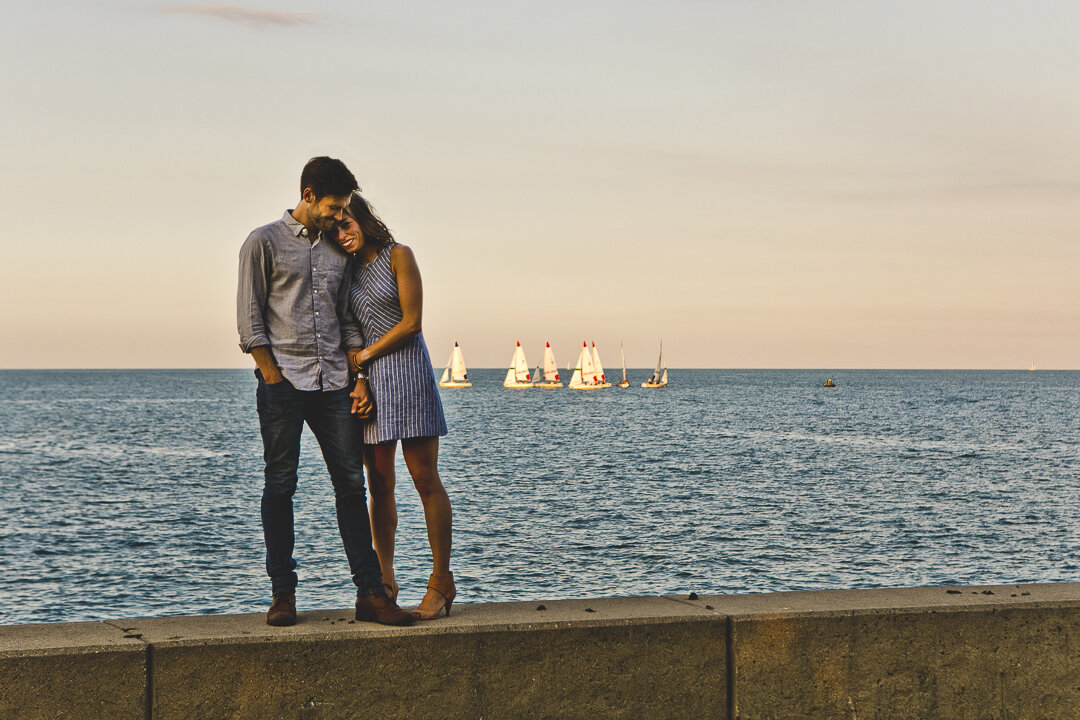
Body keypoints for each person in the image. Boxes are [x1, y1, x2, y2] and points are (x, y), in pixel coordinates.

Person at [236, 157, 413, 627]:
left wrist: (358, 378)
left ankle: (371, 595)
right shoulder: (263, 242)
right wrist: (272, 376)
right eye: (335, 207)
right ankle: (282, 595)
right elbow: (250, 320)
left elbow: (347, 317)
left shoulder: (338, 251)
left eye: (345, 209)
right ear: (309, 195)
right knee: (280, 486)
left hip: (335, 382)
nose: (341, 216)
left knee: (351, 487)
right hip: (283, 383)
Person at [335, 193, 456, 620]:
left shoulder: (398, 256)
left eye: (347, 224)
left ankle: (442, 581)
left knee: (425, 479)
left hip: (410, 376)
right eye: (336, 229)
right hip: (372, 387)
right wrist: (362, 379)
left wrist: (365, 358)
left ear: (364, 219)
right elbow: (351, 334)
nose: (343, 234)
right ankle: (385, 582)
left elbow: (412, 322)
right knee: (379, 485)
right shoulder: (346, 275)